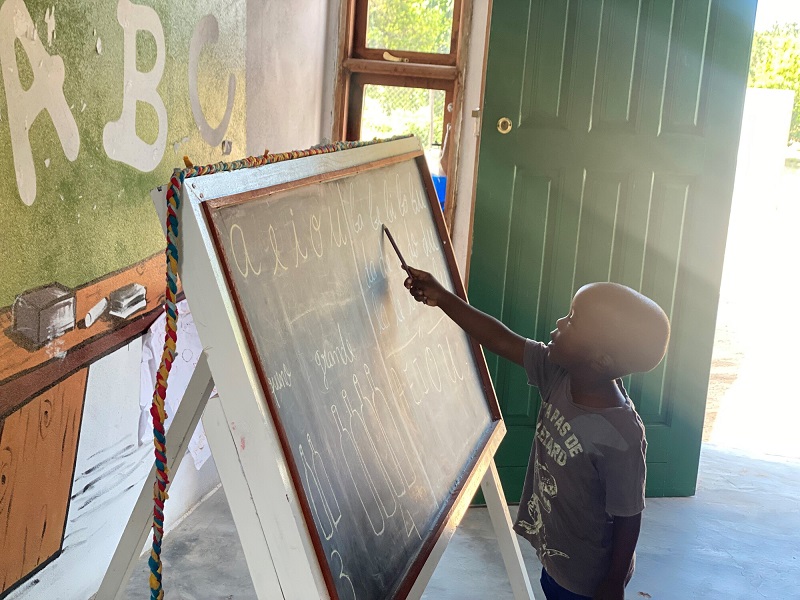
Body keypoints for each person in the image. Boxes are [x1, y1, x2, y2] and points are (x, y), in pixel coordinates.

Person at [403, 267, 670, 600]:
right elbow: (499, 338)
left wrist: (614, 582)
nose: (559, 324)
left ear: (600, 360)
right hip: (556, 555)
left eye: (572, 322)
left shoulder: (621, 435)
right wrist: (442, 297)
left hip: (589, 579)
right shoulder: (560, 373)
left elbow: (628, 514)